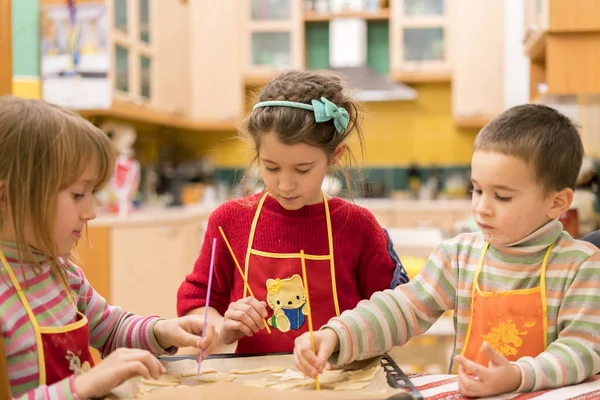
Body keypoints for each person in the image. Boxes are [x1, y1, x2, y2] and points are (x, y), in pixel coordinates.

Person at [293, 104, 600, 398]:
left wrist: (518, 376)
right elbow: (403, 309)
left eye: (502, 197)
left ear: (557, 203)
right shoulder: (460, 256)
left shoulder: (581, 267)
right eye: (477, 190)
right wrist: (337, 335)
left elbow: (582, 350)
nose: (481, 208)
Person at [177, 70, 408, 355]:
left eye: (302, 169)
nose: (285, 185)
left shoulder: (358, 227)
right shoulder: (229, 221)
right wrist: (221, 328)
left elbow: (395, 315)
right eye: (271, 167)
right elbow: (197, 301)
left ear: (335, 156)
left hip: (339, 384)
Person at [0, 96, 216, 400]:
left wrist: (160, 331)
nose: (91, 211)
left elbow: (112, 330)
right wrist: (83, 386)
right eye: (77, 194)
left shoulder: (63, 274)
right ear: (9, 196)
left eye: (93, 194)